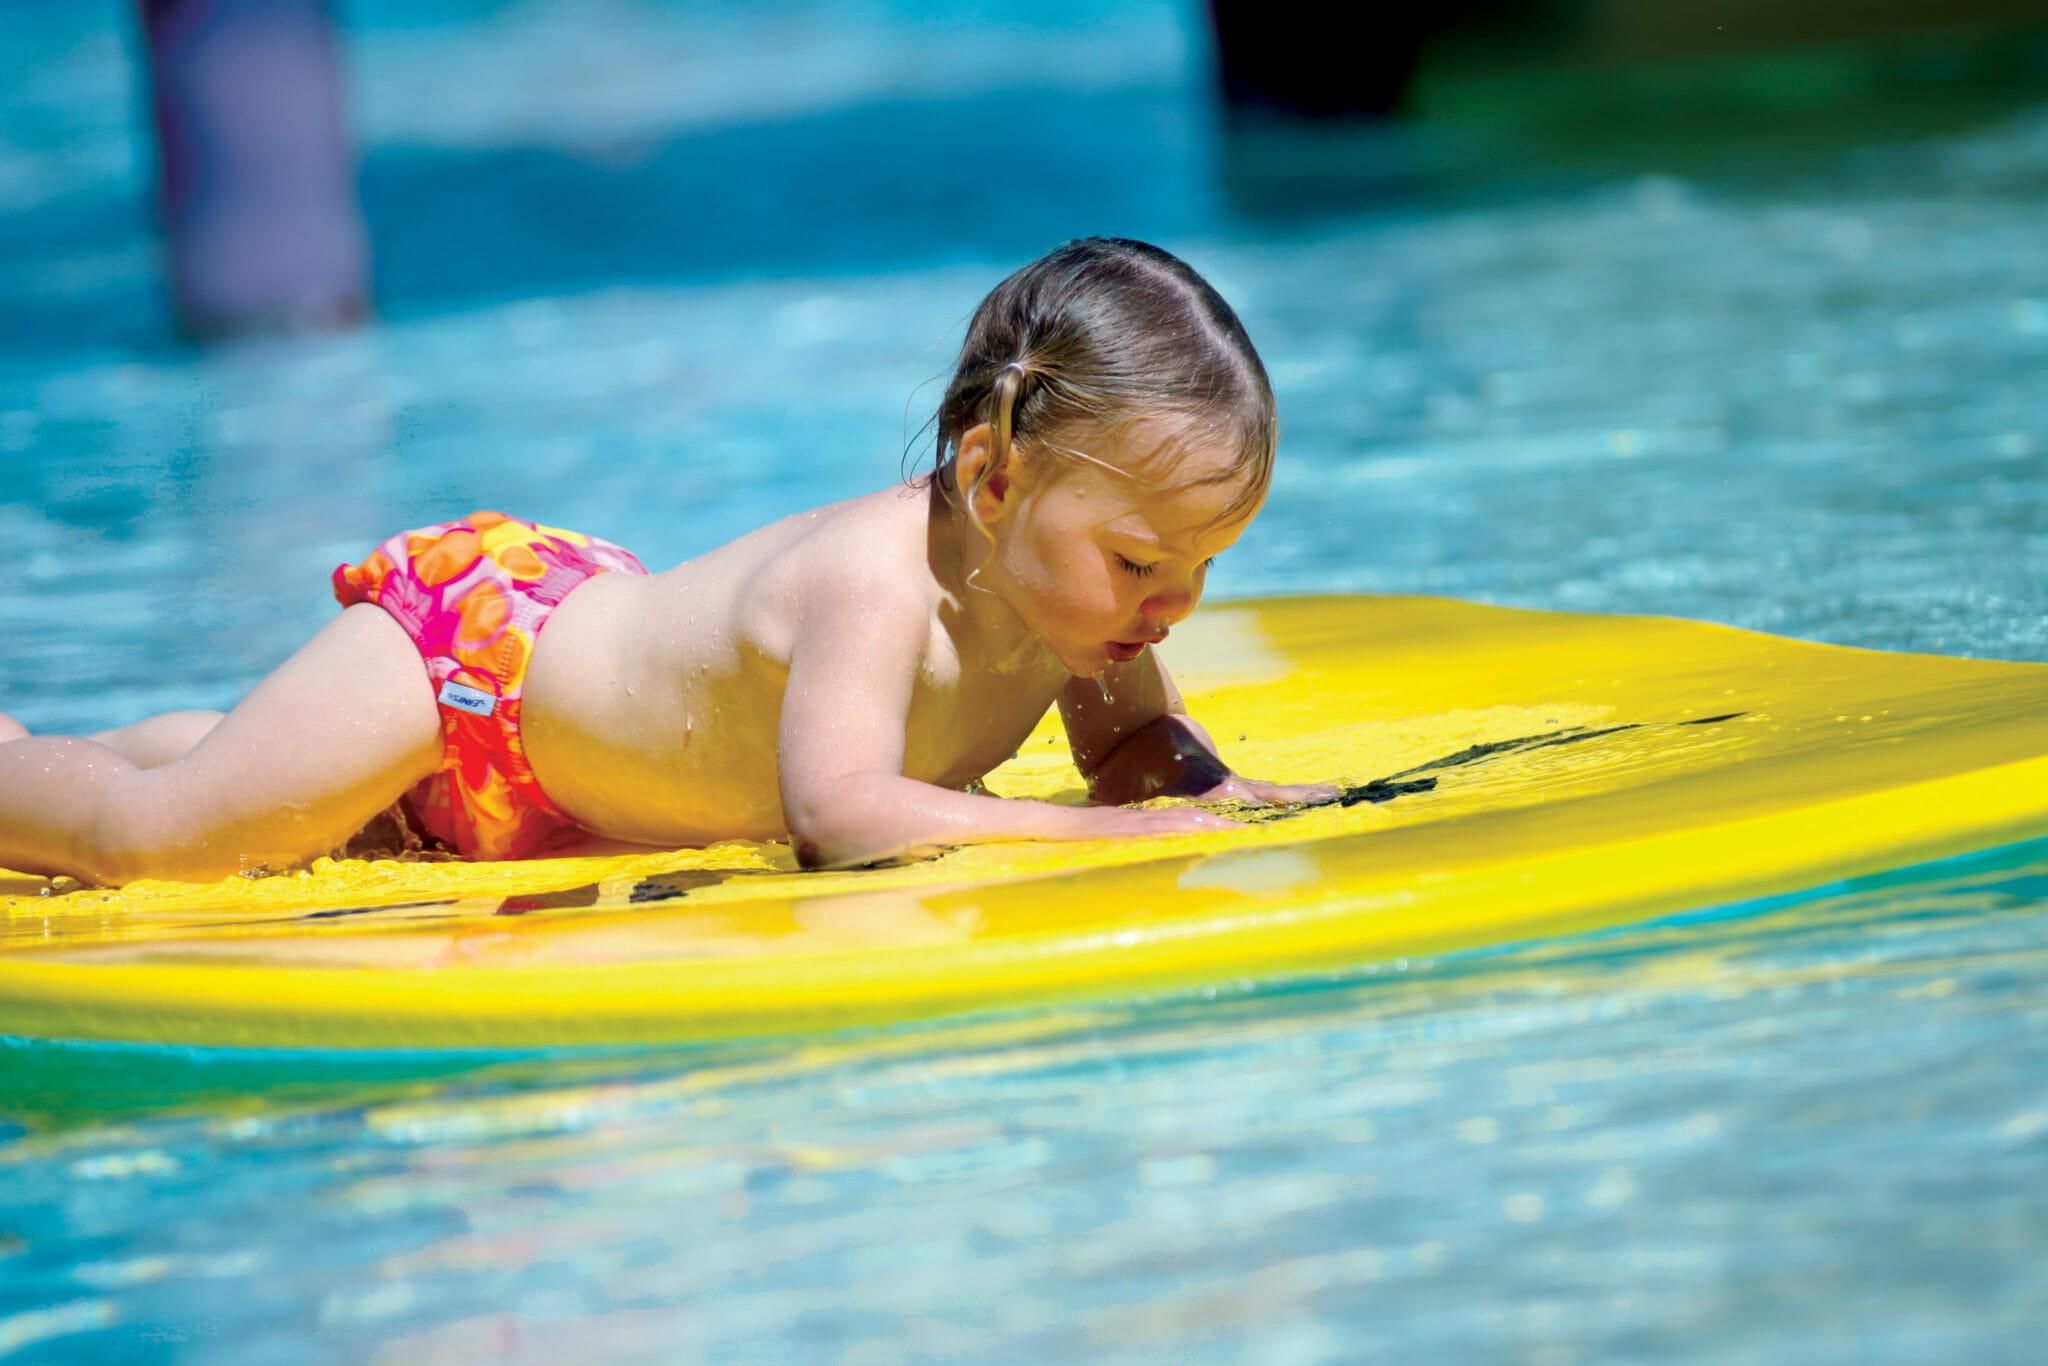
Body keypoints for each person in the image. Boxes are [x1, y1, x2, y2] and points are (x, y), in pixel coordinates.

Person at [0, 238, 1334, 886]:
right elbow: (844, 813)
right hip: (480, 668)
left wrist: (1228, 795)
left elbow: (1140, 760)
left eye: (1204, 567)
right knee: (165, 840)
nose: (1174, 607)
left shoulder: (1078, 619)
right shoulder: (882, 586)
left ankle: (89, 741)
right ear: (993, 480)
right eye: (1143, 561)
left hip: (570, 776)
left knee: (278, 782)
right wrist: (1087, 836)